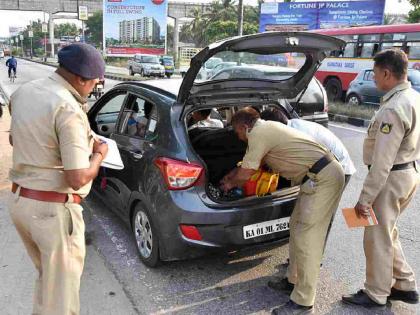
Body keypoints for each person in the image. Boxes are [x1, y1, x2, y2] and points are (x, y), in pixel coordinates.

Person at [8, 43, 107, 315]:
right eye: (95, 83)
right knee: (62, 303)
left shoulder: (24, 92)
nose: (94, 88)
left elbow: (14, 139)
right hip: (52, 211)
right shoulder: (68, 108)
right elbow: (77, 177)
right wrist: (99, 154)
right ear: (80, 78)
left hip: (21, 203)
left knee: (48, 283)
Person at [221, 107, 345, 314]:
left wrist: (229, 184)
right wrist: (232, 175)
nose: (237, 137)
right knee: (296, 228)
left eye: (237, 132)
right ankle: (293, 280)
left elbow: (247, 173)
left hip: (323, 178)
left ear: (244, 126)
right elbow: (248, 164)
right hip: (313, 180)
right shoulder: (264, 130)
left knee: (308, 238)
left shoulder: (259, 133)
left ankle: (304, 302)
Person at [342, 49, 420, 308]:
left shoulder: (393, 108)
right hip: (408, 173)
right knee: (388, 233)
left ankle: (376, 293)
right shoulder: (412, 97)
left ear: (387, 73)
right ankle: (405, 284)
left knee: (376, 237)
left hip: (391, 178)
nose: (374, 79)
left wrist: (365, 199)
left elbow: (382, 163)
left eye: (375, 74)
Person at [260, 108, 356, 184]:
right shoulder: (292, 124)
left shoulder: (297, 136)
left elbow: (299, 168)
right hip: (326, 166)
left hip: (339, 168)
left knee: (321, 207)